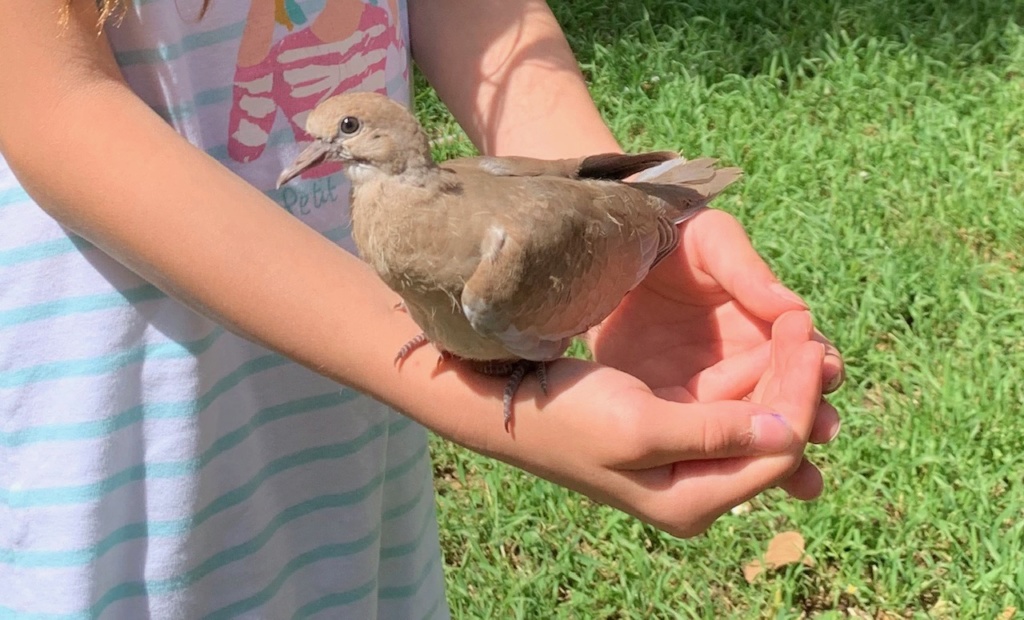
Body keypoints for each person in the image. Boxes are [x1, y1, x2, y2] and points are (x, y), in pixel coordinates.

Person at [0, 0, 843, 617]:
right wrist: (449, 383)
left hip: (348, 439)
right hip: (127, 426)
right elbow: (56, 105)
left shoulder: (477, 262)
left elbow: (485, 20)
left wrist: (596, 258)